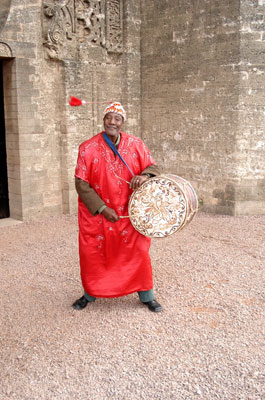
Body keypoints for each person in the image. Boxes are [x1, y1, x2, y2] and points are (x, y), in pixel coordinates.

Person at [72, 102, 162, 312]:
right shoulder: (87, 147)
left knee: (138, 252)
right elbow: (81, 183)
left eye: (117, 118)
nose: (112, 122)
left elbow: (153, 166)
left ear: (122, 123)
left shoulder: (137, 144)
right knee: (93, 254)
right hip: (99, 215)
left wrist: (145, 175)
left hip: (130, 214)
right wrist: (103, 209)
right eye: (108, 118)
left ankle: (146, 295)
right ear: (103, 120)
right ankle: (89, 294)